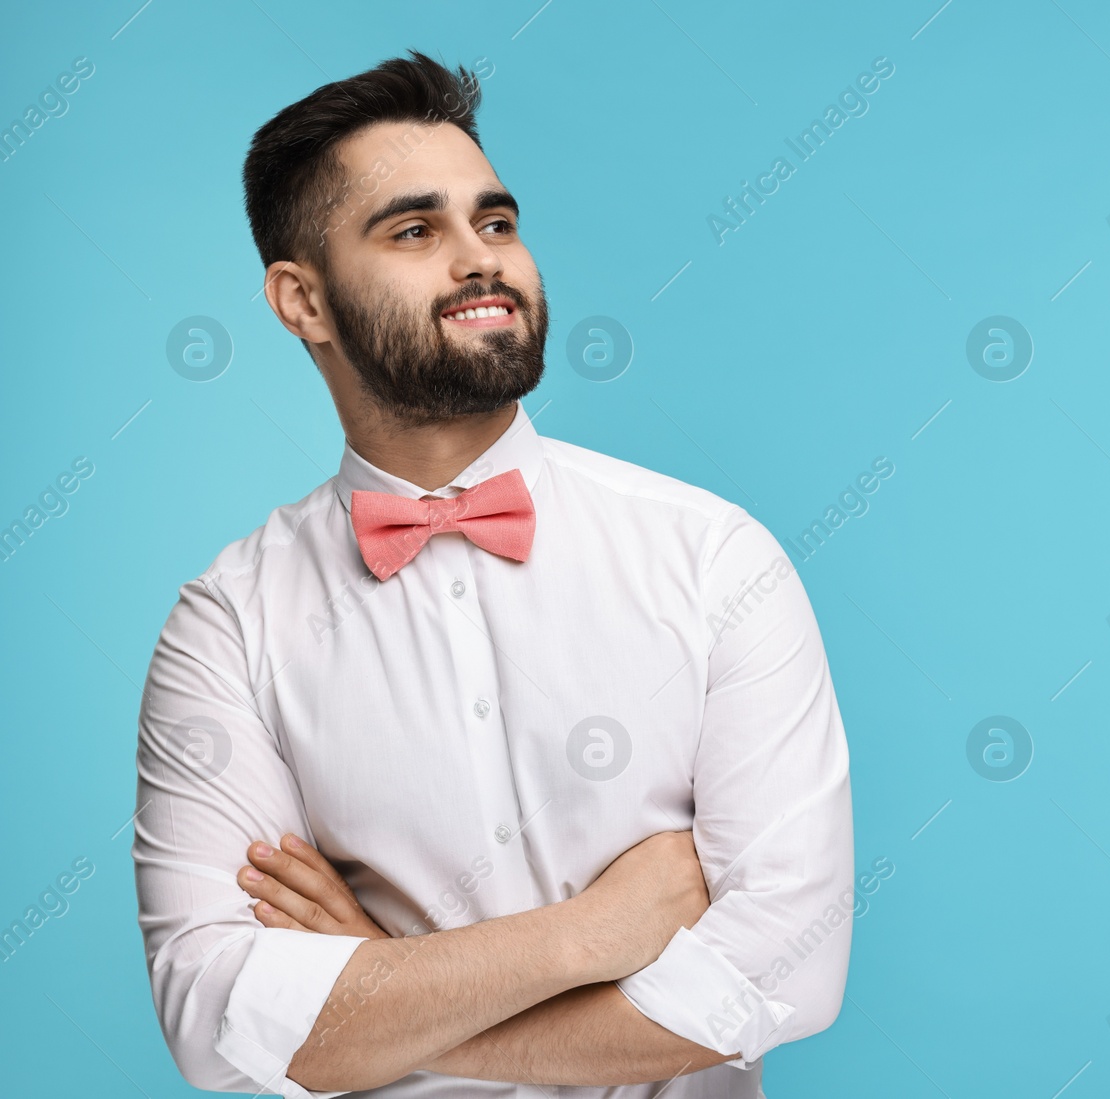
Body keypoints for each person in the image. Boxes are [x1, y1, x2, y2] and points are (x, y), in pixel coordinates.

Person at [132, 50, 853, 1098]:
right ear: (303, 301)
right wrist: (587, 936)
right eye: (415, 231)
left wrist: (379, 991)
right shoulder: (229, 622)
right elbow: (215, 1017)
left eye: (497, 222)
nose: (482, 260)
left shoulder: (714, 558)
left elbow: (784, 970)